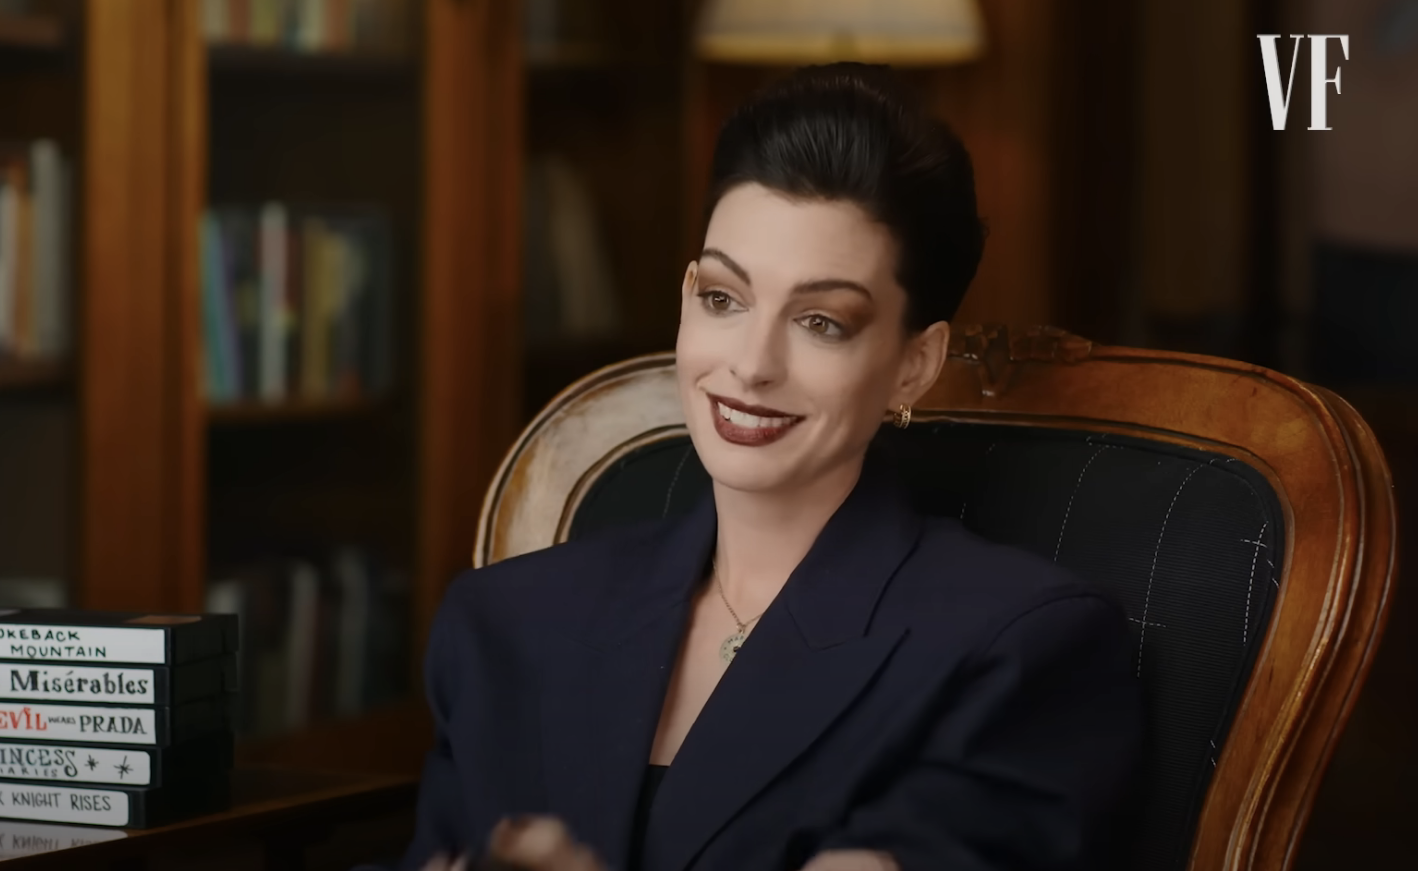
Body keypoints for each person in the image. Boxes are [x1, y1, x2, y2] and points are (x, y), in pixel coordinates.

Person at [394, 63, 1143, 871]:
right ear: (686, 297)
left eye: (821, 321)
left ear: (912, 365)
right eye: (723, 298)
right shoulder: (504, 622)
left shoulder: (1016, 648)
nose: (751, 364)